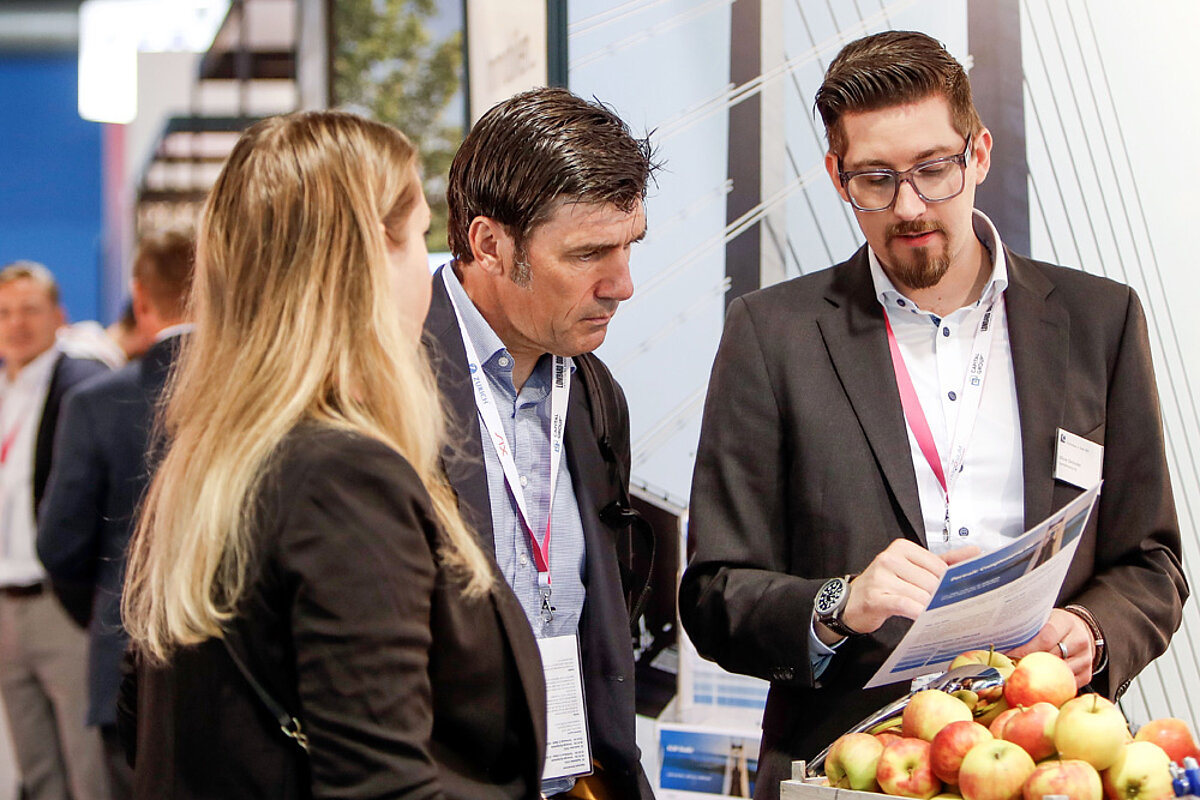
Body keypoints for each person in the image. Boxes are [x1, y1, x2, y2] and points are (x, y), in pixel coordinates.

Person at [678, 30, 1186, 799]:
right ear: (836, 177)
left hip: (1052, 765)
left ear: (978, 154)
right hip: (845, 772)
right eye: (875, 180)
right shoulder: (770, 335)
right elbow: (714, 593)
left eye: (933, 169)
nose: (909, 207)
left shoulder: (1099, 321)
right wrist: (840, 604)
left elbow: (1152, 562)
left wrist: (1089, 632)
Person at [118, 110, 546, 799]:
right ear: (367, 259)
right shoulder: (343, 476)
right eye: (419, 240)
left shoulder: (215, 461)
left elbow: (146, 723)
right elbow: (383, 786)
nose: (430, 274)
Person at [429, 86, 657, 799]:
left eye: (629, 245)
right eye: (588, 254)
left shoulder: (594, 394)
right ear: (490, 246)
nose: (622, 285)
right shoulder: (387, 384)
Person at [37, 227, 196, 800]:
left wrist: (110, 605)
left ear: (141, 298)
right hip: (247, 676)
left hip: (127, 660)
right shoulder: (265, 392)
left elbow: (59, 546)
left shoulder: (95, 403)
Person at [0, 261, 112, 800]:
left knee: (87, 767)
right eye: (5, 312)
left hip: (61, 604)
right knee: (36, 766)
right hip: (6, 605)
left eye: (30, 310)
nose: (16, 324)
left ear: (58, 316)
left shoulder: (81, 387)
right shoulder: (3, 391)